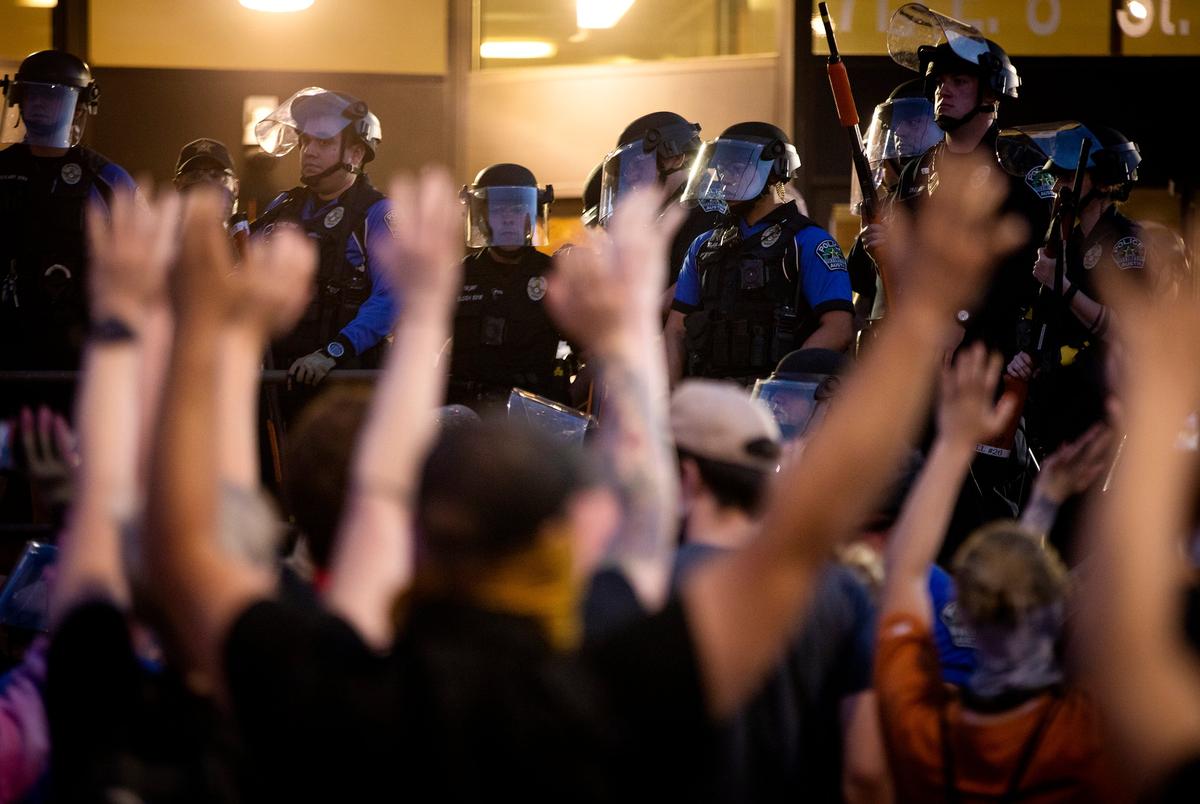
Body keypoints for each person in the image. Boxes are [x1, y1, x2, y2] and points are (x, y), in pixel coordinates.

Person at [138, 154, 1021, 802]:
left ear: (412, 532)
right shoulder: (606, 675)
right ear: (566, 536)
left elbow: (185, 541)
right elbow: (784, 535)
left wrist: (213, 334)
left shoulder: (323, 678)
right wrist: (920, 315)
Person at [876, 344, 1123, 802]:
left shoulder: (918, 725)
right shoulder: (1086, 732)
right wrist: (1046, 504)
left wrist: (952, 444)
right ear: (1060, 618)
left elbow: (905, 573)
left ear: (958, 611)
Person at [665, 121, 855, 386]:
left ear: (776, 172)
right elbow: (675, 330)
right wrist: (671, 400)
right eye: (721, 167)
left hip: (780, 404)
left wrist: (782, 385)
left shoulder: (809, 241)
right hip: (708, 402)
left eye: (737, 167)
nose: (725, 177)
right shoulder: (703, 245)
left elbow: (838, 328)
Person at [999, 123, 1144, 453]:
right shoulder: (1069, 243)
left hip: (1103, 411)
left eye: (1068, 177)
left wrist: (1059, 284)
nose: (1060, 187)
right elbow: (1058, 327)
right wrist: (1033, 357)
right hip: (1059, 407)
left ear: (1104, 180)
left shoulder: (1126, 242)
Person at [0, 50, 136, 376]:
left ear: (80, 104)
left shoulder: (106, 179)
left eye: (54, 95)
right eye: (32, 93)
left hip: (79, 357)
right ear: (18, 97)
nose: (40, 103)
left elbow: (136, 268)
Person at [249, 87, 395, 392]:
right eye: (306, 141)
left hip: (344, 384)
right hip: (276, 379)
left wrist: (332, 353)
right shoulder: (283, 207)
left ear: (355, 153)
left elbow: (390, 299)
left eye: (324, 142)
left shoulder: (376, 214)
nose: (309, 151)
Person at [447, 163, 568, 409]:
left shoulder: (556, 275)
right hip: (467, 415)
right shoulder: (459, 276)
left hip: (534, 419)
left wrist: (564, 413)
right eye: (499, 210)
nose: (510, 219)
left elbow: (591, 358)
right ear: (481, 218)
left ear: (531, 216)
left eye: (518, 209)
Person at [599, 111, 727, 292]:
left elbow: (695, 279)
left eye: (636, 163)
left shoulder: (707, 209)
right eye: (626, 169)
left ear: (675, 158)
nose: (630, 176)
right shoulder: (667, 210)